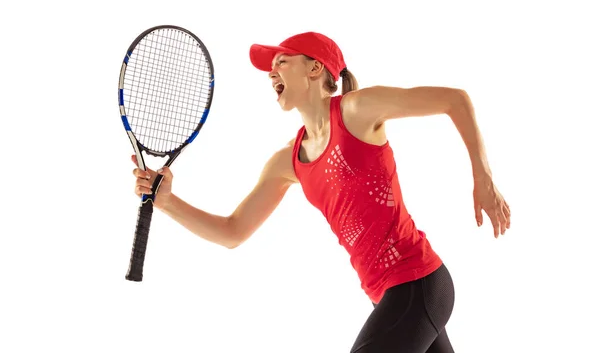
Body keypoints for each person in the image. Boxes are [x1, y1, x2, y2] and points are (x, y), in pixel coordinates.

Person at [131, 32, 511, 352]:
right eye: (270, 67)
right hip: (390, 297)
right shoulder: (287, 162)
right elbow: (232, 231)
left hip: (417, 283)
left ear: (315, 68)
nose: (271, 73)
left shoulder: (357, 110)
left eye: (281, 62)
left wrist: (484, 178)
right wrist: (167, 202)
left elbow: (454, 99)